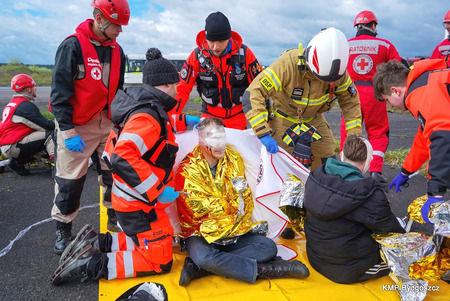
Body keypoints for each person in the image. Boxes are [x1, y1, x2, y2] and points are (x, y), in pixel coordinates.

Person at [51, 47, 199, 285]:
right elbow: (124, 155)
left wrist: (184, 120)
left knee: (164, 238)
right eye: (175, 85)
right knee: (160, 261)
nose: (177, 90)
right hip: (139, 203)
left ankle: (97, 242)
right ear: (166, 85)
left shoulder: (145, 106)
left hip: (133, 199)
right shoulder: (147, 117)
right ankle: (91, 264)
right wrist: (158, 191)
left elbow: (156, 126)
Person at [175, 117, 310, 286]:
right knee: (204, 256)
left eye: (222, 136)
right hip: (201, 233)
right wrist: (231, 206)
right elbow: (197, 209)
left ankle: (203, 268)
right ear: (201, 140)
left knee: (268, 247)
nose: (220, 143)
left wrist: (235, 215)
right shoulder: (187, 168)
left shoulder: (233, 159)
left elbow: (244, 196)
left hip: (233, 230)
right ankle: (266, 270)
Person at [49, 0, 130, 255]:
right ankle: (63, 229)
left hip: (106, 123)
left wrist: (119, 122)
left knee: (114, 174)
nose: (120, 30)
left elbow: (118, 91)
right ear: (98, 17)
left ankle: (116, 217)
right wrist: (67, 130)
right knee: (70, 179)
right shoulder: (72, 46)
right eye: (116, 24)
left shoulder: (118, 51)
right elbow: (59, 93)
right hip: (77, 124)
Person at [243, 27, 362, 172]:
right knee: (281, 166)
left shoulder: (338, 72)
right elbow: (254, 93)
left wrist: (354, 138)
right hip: (284, 118)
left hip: (314, 119)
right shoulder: (288, 64)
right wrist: (262, 131)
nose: (322, 82)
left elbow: (351, 103)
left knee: (326, 163)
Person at [303, 135, 405, 284]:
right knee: (403, 256)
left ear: (342, 154)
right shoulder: (370, 194)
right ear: (369, 161)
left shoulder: (316, 175)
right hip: (347, 270)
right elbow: (392, 232)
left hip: (316, 258)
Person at [372, 59, 450, 224]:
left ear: (396, 91)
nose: (390, 106)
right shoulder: (426, 82)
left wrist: (435, 194)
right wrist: (406, 171)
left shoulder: (420, 92)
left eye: (387, 100)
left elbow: (442, 138)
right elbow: (423, 139)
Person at [340, 10, 405, 183]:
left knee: (349, 133)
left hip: (349, 94)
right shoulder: (384, 45)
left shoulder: (346, 45)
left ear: (357, 26)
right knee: (377, 133)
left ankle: (345, 172)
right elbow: (399, 68)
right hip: (374, 93)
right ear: (373, 25)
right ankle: (375, 171)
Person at [173, 11, 263, 130]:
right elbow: (181, 89)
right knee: (209, 148)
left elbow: (261, 86)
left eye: (221, 41)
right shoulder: (196, 57)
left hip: (238, 117)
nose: (216, 47)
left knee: (235, 148)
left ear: (229, 37)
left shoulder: (245, 54)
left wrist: (265, 123)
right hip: (209, 116)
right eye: (212, 41)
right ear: (206, 38)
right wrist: (172, 120)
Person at [0, 74, 55, 176]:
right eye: (34, 86)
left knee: (40, 141)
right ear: (28, 90)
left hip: (7, 145)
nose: (36, 89)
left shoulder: (13, 104)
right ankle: (56, 168)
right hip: (14, 145)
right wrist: (63, 125)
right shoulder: (25, 106)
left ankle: (17, 162)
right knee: (52, 135)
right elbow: (46, 126)